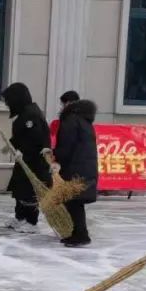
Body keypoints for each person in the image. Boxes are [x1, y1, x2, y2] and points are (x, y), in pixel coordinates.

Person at [0, 82, 51, 234]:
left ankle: (31, 221)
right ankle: (20, 217)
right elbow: (21, 136)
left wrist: (23, 151)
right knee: (19, 189)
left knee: (29, 191)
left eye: (9, 101)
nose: (7, 105)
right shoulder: (24, 114)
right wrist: (11, 144)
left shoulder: (31, 115)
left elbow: (35, 139)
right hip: (23, 161)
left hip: (34, 163)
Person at [51, 93, 98, 248]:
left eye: (63, 104)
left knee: (73, 201)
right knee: (75, 201)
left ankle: (80, 235)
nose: (62, 107)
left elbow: (66, 145)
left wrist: (56, 157)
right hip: (85, 166)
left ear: (69, 104)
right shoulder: (85, 121)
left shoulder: (71, 120)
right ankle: (78, 233)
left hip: (75, 167)